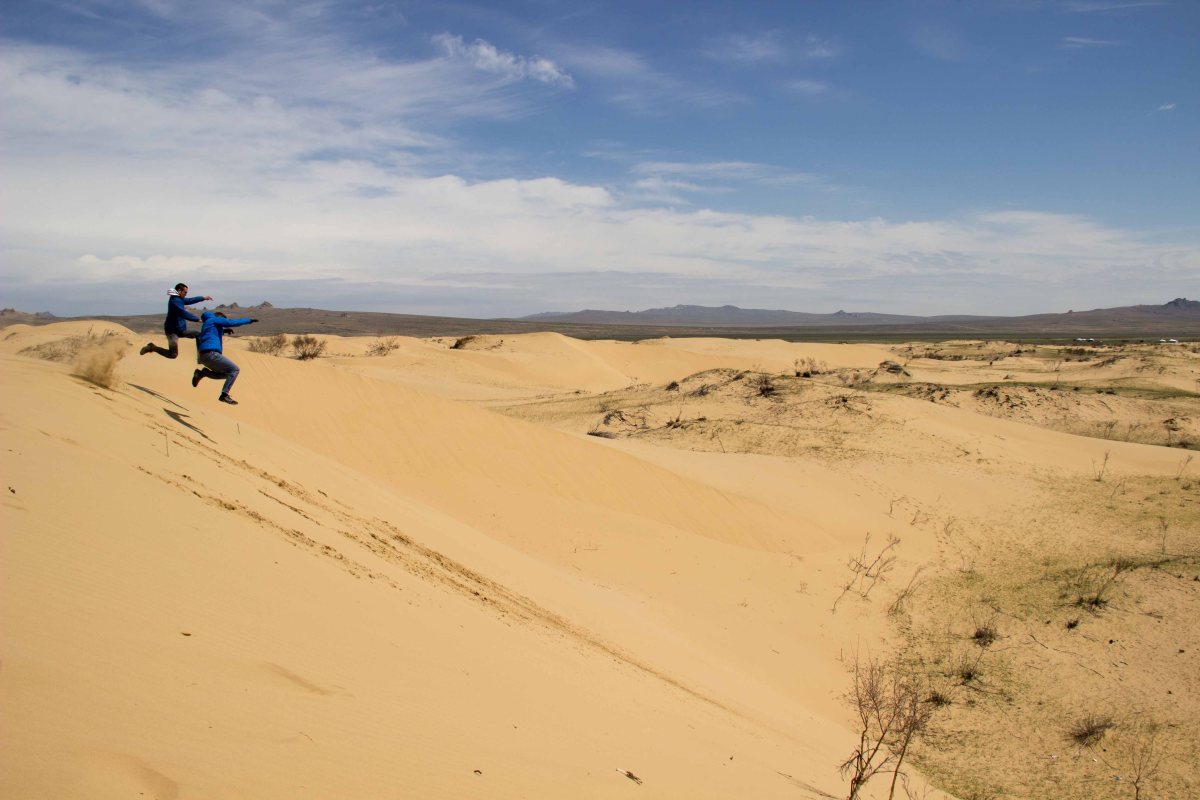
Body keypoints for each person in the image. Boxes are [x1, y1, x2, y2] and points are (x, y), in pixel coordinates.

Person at [191, 311, 257, 405]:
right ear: (219, 318)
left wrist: (224, 331)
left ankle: (202, 373)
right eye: (222, 321)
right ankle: (224, 395)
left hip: (204, 357)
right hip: (212, 354)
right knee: (235, 370)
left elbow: (213, 332)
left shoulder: (208, 324)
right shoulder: (214, 320)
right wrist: (248, 320)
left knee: (228, 374)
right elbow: (231, 322)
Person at [139, 283, 213, 359]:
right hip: (172, 332)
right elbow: (182, 313)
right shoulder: (174, 301)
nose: (186, 294)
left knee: (198, 335)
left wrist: (203, 298)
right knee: (173, 354)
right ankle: (152, 347)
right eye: (185, 292)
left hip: (181, 330)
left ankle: (201, 356)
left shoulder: (180, 299)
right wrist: (198, 319)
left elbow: (190, 300)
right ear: (179, 291)